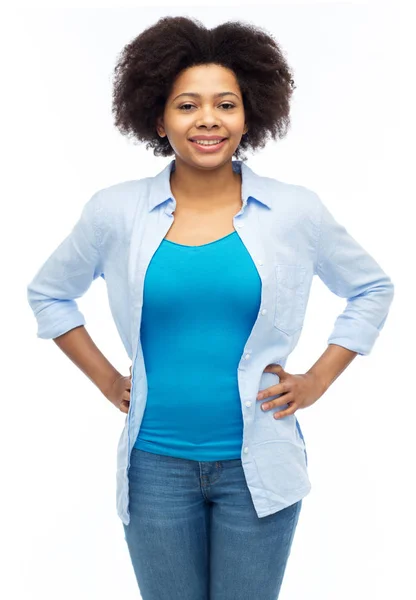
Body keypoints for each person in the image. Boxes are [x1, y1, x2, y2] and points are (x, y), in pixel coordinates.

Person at [26, 15, 395, 600]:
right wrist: (105, 381)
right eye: (186, 105)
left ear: (248, 116)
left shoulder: (295, 211)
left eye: (225, 104)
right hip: (155, 470)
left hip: (260, 469)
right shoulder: (114, 213)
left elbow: (371, 287)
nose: (207, 120)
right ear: (158, 117)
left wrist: (318, 379)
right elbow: (49, 292)